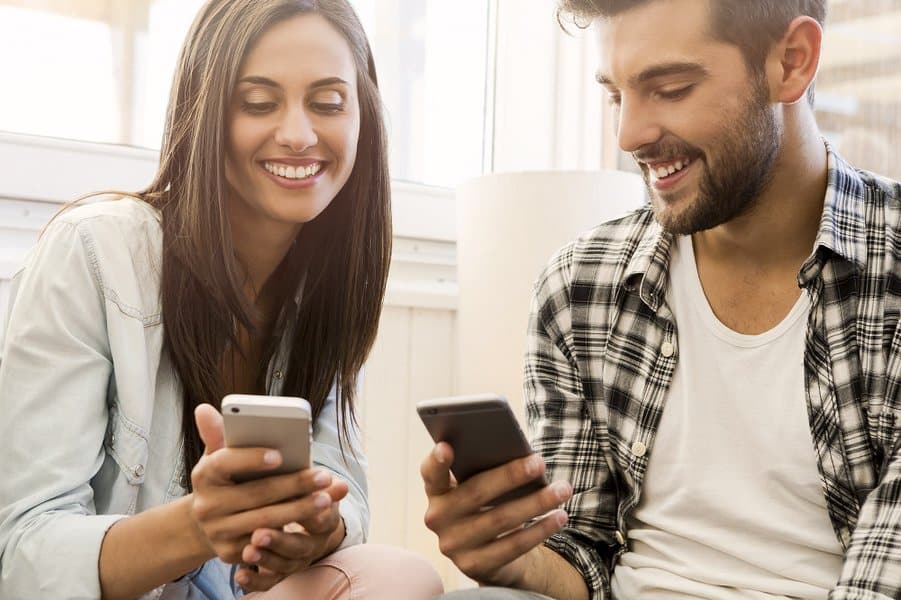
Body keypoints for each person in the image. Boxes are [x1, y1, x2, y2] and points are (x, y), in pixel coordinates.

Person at [421, 1, 901, 598]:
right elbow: (582, 553)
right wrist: (513, 560)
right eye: (616, 96)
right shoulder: (579, 288)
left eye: (669, 89)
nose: (630, 136)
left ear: (792, 62)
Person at [0, 1, 443, 598]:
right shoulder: (95, 251)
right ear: (206, 112)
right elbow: (20, 555)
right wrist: (197, 525)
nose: (297, 134)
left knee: (403, 574)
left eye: (328, 103)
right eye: (258, 103)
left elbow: (344, 487)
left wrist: (316, 528)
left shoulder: (325, 284)